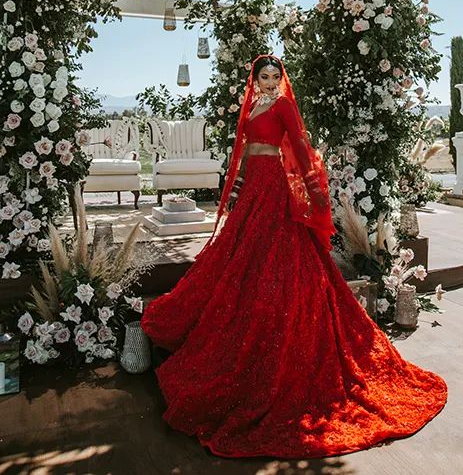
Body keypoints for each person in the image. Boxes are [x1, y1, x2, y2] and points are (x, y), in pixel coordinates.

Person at [141, 54, 447, 459]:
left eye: (274, 77)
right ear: (255, 80)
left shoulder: (283, 105)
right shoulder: (251, 107)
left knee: (283, 264)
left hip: (278, 192)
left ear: (280, 80)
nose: (268, 82)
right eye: (262, 77)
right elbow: (246, 154)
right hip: (254, 190)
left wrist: (317, 198)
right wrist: (235, 193)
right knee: (239, 259)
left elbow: (300, 149)